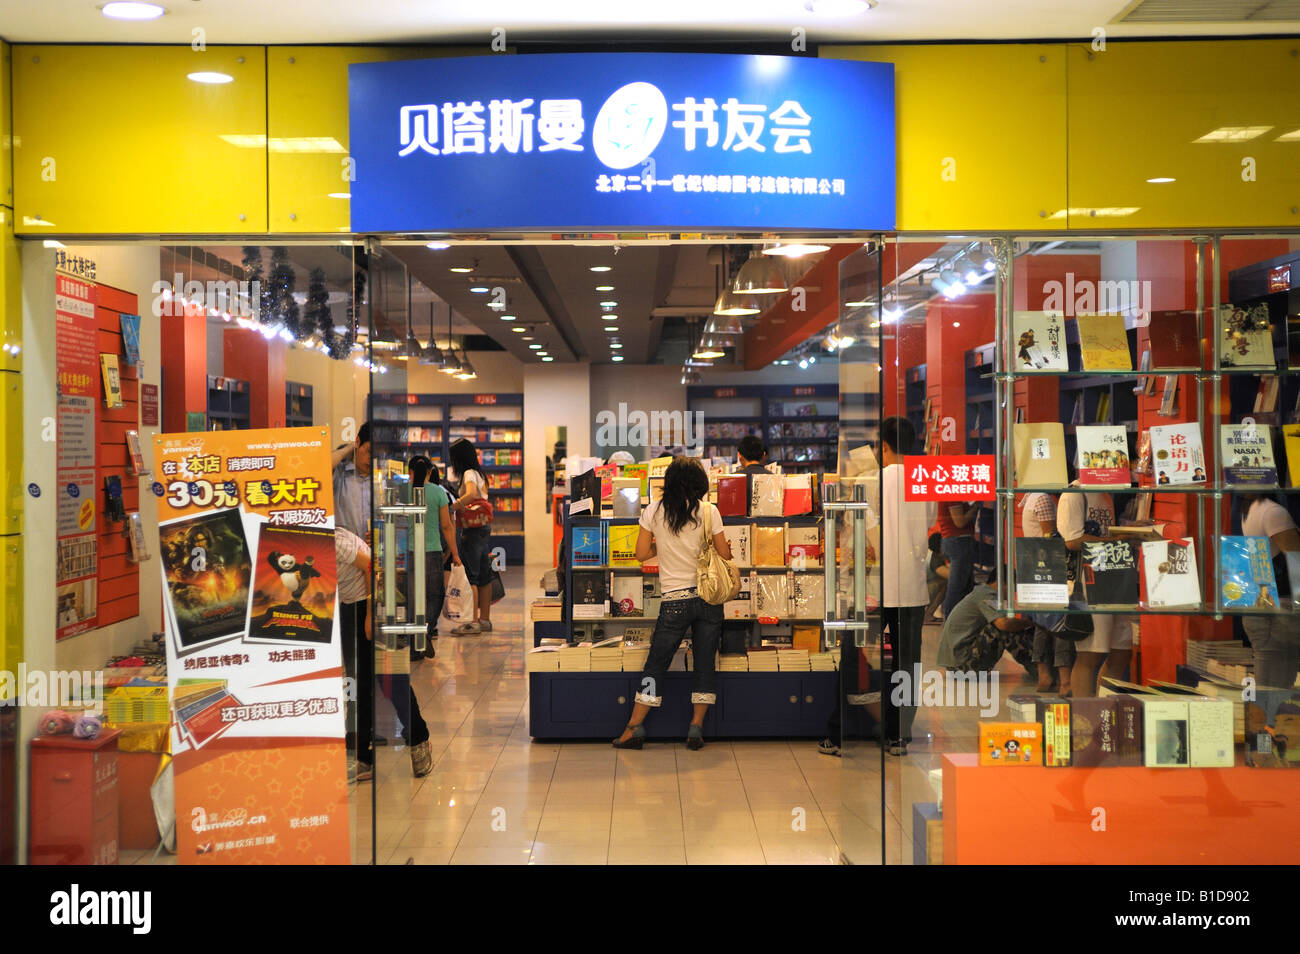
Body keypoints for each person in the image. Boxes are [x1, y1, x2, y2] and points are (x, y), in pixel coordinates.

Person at [821, 416, 935, 757]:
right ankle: (897, 735)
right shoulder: (924, 481)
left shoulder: (868, 482)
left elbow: (853, 533)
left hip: (870, 586)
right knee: (906, 663)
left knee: (854, 657)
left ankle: (839, 734)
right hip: (912, 586)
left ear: (883, 446)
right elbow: (927, 527)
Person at [613, 456, 732, 751]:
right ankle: (695, 727)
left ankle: (634, 727)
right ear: (700, 484)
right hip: (707, 598)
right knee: (705, 664)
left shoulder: (653, 510)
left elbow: (641, 554)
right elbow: (725, 554)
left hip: (674, 600)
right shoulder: (709, 511)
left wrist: (663, 544)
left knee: (656, 664)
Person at [335, 525, 432, 780]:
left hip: (372, 606)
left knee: (391, 679)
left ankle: (419, 739)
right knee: (358, 681)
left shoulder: (335, 540)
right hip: (349, 607)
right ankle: (363, 757)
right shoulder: (305, 543)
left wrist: (369, 614)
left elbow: (372, 569)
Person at [1058, 477, 1132, 697]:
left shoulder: (1106, 492)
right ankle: (1085, 719)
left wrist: (1126, 532)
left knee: (1122, 652)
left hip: (1114, 574)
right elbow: (1072, 540)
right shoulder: (1074, 493)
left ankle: (1105, 713)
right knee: (1089, 654)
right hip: (1088, 580)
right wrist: (1116, 539)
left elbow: (1103, 532)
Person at [1241, 494, 1300, 688]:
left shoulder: (1253, 509)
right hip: (1277, 614)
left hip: (1264, 608)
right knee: (1275, 695)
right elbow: (1296, 560)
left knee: (1272, 694)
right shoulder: (1273, 512)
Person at [408, 456, 462, 658]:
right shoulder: (438, 492)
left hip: (411, 552)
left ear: (410, 472)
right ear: (430, 471)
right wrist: (454, 553)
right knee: (435, 595)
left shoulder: (404, 491)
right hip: (432, 551)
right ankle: (427, 629)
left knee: (414, 598)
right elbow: (447, 526)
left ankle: (416, 646)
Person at [1021, 491, 1074, 694]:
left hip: (1035, 564)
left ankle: (1044, 675)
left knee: (1042, 624)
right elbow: (1049, 537)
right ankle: (1065, 680)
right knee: (1060, 622)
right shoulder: (1043, 499)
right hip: (1047, 564)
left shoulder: (1031, 497)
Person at [447, 437, 495, 635]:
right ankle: (484, 619)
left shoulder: (468, 473)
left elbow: (471, 494)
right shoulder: (479, 473)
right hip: (484, 527)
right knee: (484, 574)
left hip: (472, 529)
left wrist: (454, 505)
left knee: (471, 575)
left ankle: (472, 622)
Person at [938, 492, 978, 622]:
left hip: (955, 541)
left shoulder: (950, 492)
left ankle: (955, 624)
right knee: (957, 588)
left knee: (962, 587)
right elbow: (959, 522)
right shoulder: (952, 493)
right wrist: (976, 506)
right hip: (958, 541)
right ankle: (950, 625)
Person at [925, 531, 950, 623]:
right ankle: (927, 615)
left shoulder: (930, 553)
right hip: (919, 591)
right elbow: (952, 577)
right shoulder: (934, 559)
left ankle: (927, 614)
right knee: (945, 584)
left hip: (918, 590)